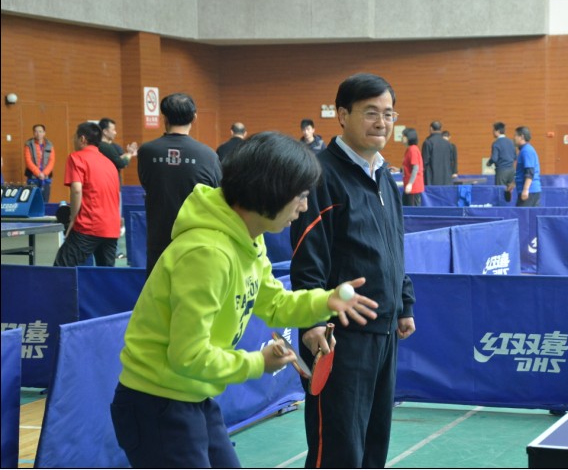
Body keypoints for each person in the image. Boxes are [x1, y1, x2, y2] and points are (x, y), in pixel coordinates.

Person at [110, 131, 379, 468]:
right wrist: (258, 363)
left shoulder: (249, 239)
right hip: (156, 403)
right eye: (300, 196)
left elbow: (274, 304)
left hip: (194, 395)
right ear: (271, 190)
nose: (304, 206)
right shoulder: (207, 254)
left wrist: (325, 302)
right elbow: (187, 355)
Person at [289, 73, 416, 468]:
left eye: (389, 114)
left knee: (374, 443)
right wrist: (312, 323)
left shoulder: (384, 176)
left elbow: (394, 244)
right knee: (338, 449)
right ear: (342, 115)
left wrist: (404, 303)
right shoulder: (320, 176)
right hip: (338, 336)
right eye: (371, 113)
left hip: (383, 332)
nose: (382, 122)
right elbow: (307, 256)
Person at [137, 92, 222, 276]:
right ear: (194, 118)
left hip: (158, 239)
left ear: (164, 118)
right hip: (196, 240)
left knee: (156, 290)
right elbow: (216, 193)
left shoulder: (146, 152)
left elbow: (146, 182)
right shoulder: (208, 156)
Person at [54, 122, 120, 267]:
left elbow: (77, 189)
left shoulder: (76, 157)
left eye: (74, 137)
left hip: (89, 225)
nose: (73, 140)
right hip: (111, 228)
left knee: (61, 269)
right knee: (106, 275)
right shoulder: (110, 164)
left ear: (82, 139)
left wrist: (73, 219)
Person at [99, 117, 139, 256]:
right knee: (112, 219)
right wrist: (130, 154)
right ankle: (112, 250)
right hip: (109, 189)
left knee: (114, 219)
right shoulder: (103, 147)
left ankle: (111, 249)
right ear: (105, 131)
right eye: (113, 129)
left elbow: (121, 161)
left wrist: (129, 154)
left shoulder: (112, 147)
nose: (115, 132)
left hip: (113, 187)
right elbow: (121, 162)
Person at [508, 126, 542, 207]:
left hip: (530, 192)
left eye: (515, 135)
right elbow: (521, 172)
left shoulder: (527, 151)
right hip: (530, 191)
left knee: (521, 214)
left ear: (522, 137)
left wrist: (526, 190)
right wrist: (513, 184)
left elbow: (529, 172)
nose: (514, 138)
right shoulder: (524, 150)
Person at [23, 124, 55, 202]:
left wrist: (44, 173)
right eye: (36, 131)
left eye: (40, 131)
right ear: (33, 133)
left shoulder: (50, 145)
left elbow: (52, 161)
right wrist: (38, 173)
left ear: (44, 133)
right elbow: (28, 161)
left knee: (45, 200)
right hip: (32, 178)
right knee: (33, 201)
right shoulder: (28, 144)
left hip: (46, 178)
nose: (38, 133)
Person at [422, 121, 456, 185]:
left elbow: (424, 161)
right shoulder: (448, 144)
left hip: (432, 181)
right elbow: (451, 161)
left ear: (431, 129)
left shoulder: (428, 143)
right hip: (446, 181)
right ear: (441, 129)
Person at [487, 122, 517, 189]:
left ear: (497, 131)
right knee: (511, 191)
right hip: (511, 171)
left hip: (501, 171)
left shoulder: (496, 143)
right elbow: (515, 157)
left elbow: (494, 158)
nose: (493, 132)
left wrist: (489, 163)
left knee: (500, 191)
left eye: (493, 130)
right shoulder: (511, 142)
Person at [400, 127, 425, 206]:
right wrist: (399, 170)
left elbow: (415, 168)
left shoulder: (413, 150)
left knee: (412, 210)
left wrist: (410, 184)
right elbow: (408, 167)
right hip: (409, 186)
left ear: (409, 137)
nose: (401, 137)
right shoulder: (409, 149)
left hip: (413, 187)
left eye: (403, 136)